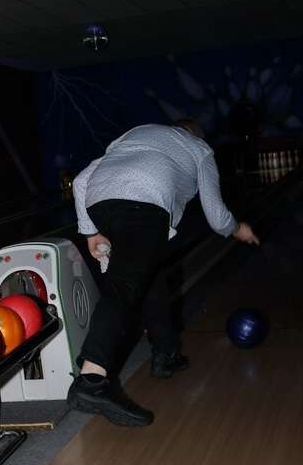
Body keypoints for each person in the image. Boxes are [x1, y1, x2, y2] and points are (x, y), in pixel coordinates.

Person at [67, 120, 259, 427]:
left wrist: (90, 231)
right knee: (124, 287)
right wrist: (237, 229)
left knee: (150, 279)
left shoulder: (132, 133)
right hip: (144, 205)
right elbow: (215, 213)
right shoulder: (199, 149)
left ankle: (166, 354)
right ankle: (91, 379)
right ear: (194, 135)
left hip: (100, 202)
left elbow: (79, 181)